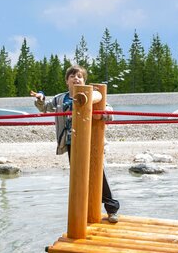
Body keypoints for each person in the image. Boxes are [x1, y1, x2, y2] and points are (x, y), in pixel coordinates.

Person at [31, 64, 120, 223]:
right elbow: (45, 107)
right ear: (67, 81)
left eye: (79, 76)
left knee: (98, 173)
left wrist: (107, 113)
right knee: (78, 176)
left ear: (84, 80)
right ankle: (84, 210)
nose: (76, 78)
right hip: (71, 141)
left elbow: (106, 107)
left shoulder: (92, 94)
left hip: (91, 140)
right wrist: (40, 98)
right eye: (72, 76)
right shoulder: (60, 98)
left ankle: (112, 209)